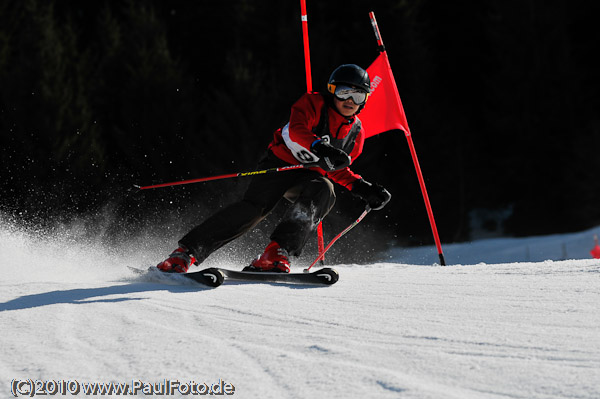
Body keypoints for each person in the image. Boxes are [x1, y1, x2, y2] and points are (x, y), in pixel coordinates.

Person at [157, 64, 391, 274]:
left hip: (309, 177)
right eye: (344, 92)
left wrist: (362, 187)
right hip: (279, 165)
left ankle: (276, 253)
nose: (350, 100)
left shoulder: (357, 134)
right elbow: (297, 130)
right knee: (254, 209)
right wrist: (322, 148)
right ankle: (185, 254)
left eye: (358, 95)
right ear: (331, 91)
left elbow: (335, 169)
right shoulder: (313, 104)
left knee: (325, 190)